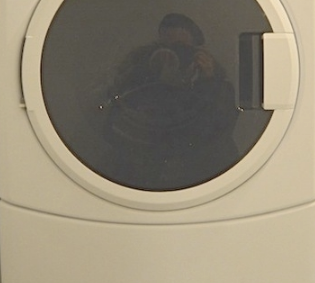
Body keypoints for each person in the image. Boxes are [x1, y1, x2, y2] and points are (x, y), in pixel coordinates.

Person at [99, 13, 239, 191]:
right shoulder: (137, 85)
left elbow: (219, 130)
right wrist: (142, 75)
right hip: (138, 185)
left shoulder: (215, 87)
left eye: (181, 49)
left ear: (197, 54)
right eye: (163, 48)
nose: (171, 55)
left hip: (204, 183)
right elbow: (113, 127)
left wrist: (209, 80)